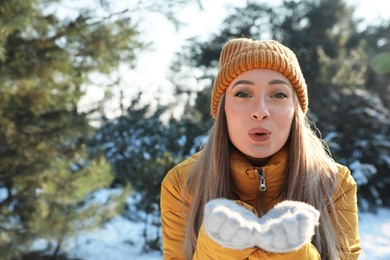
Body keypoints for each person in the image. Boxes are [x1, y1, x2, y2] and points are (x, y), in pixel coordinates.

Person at [160, 38, 361, 260]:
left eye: (278, 94)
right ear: (222, 108)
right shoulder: (182, 182)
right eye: (243, 94)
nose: (261, 111)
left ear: (296, 109)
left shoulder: (334, 182)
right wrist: (223, 245)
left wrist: (291, 250)